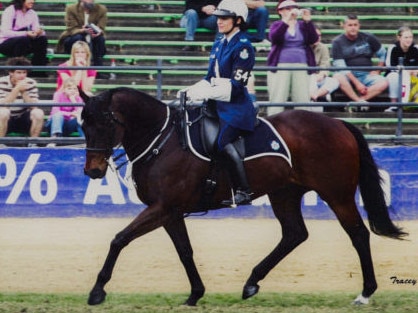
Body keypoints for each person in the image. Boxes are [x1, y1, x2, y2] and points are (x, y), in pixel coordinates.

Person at [179, 0, 256, 206]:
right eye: (218, 17)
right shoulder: (219, 42)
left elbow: (236, 87)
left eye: (224, 18)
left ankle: (243, 190)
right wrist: (189, 91)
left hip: (236, 109)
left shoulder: (244, 47)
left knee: (223, 142)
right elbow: (209, 77)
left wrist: (206, 95)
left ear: (238, 20)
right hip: (217, 105)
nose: (219, 21)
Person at [266, 0, 318, 115]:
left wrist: (308, 21)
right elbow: (274, 38)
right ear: (280, 11)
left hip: (302, 64)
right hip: (280, 64)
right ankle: (273, 125)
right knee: (277, 98)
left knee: (302, 99)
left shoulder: (303, 25)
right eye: (288, 8)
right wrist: (285, 21)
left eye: (293, 8)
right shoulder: (276, 25)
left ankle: (303, 126)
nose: (292, 11)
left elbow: (313, 39)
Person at [331, 14, 388, 111]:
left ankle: (358, 102)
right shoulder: (337, 42)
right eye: (350, 25)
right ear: (344, 26)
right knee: (338, 77)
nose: (353, 28)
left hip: (366, 75)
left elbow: (383, 54)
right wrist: (357, 83)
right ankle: (358, 101)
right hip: (348, 76)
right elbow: (341, 67)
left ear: (359, 26)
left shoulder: (368, 37)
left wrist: (378, 70)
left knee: (384, 82)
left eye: (355, 25)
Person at [57, 0, 107, 76]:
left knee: (100, 39)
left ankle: (98, 70)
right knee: (79, 37)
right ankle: (77, 69)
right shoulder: (71, 8)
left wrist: (97, 32)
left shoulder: (101, 9)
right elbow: (71, 28)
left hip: (93, 37)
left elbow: (101, 27)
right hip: (75, 36)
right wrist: (83, 30)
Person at [0, 57, 44, 142]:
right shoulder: (1, 82)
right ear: (11, 73)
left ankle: (33, 143)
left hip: (23, 117)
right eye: (19, 72)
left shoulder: (31, 82)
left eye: (24, 72)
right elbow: (3, 105)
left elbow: (34, 106)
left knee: (38, 113)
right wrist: (16, 89)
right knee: (3, 112)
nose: (22, 75)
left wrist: (24, 92)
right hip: (7, 118)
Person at [0, 0, 48, 77]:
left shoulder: (32, 13)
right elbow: (6, 32)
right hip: (6, 43)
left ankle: (37, 70)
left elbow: (37, 28)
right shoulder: (10, 10)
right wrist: (25, 33)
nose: (32, 1)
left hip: (25, 42)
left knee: (42, 39)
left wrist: (39, 32)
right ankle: (17, 69)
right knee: (23, 40)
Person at [384, 26, 418, 112]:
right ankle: (394, 104)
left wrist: (416, 70)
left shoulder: (415, 48)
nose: (409, 40)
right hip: (395, 74)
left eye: (410, 37)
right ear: (399, 37)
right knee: (393, 77)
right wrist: (404, 71)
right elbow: (389, 65)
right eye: (406, 37)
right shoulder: (393, 47)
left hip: (413, 75)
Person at [46, 78, 84, 144]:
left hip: (68, 125)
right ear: (64, 89)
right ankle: (54, 139)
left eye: (74, 89)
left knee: (81, 118)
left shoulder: (78, 98)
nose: (72, 91)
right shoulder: (57, 95)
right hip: (54, 124)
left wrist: (73, 100)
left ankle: (85, 141)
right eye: (69, 88)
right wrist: (70, 114)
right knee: (58, 115)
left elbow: (80, 114)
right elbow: (55, 111)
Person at [309, 26, 339, 107]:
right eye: (316, 35)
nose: (318, 38)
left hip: (319, 78)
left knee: (334, 81)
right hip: (305, 79)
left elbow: (325, 65)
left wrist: (322, 74)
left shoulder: (323, 47)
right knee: (311, 80)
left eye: (319, 35)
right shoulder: (302, 47)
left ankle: (315, 95)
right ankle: (322, 96)